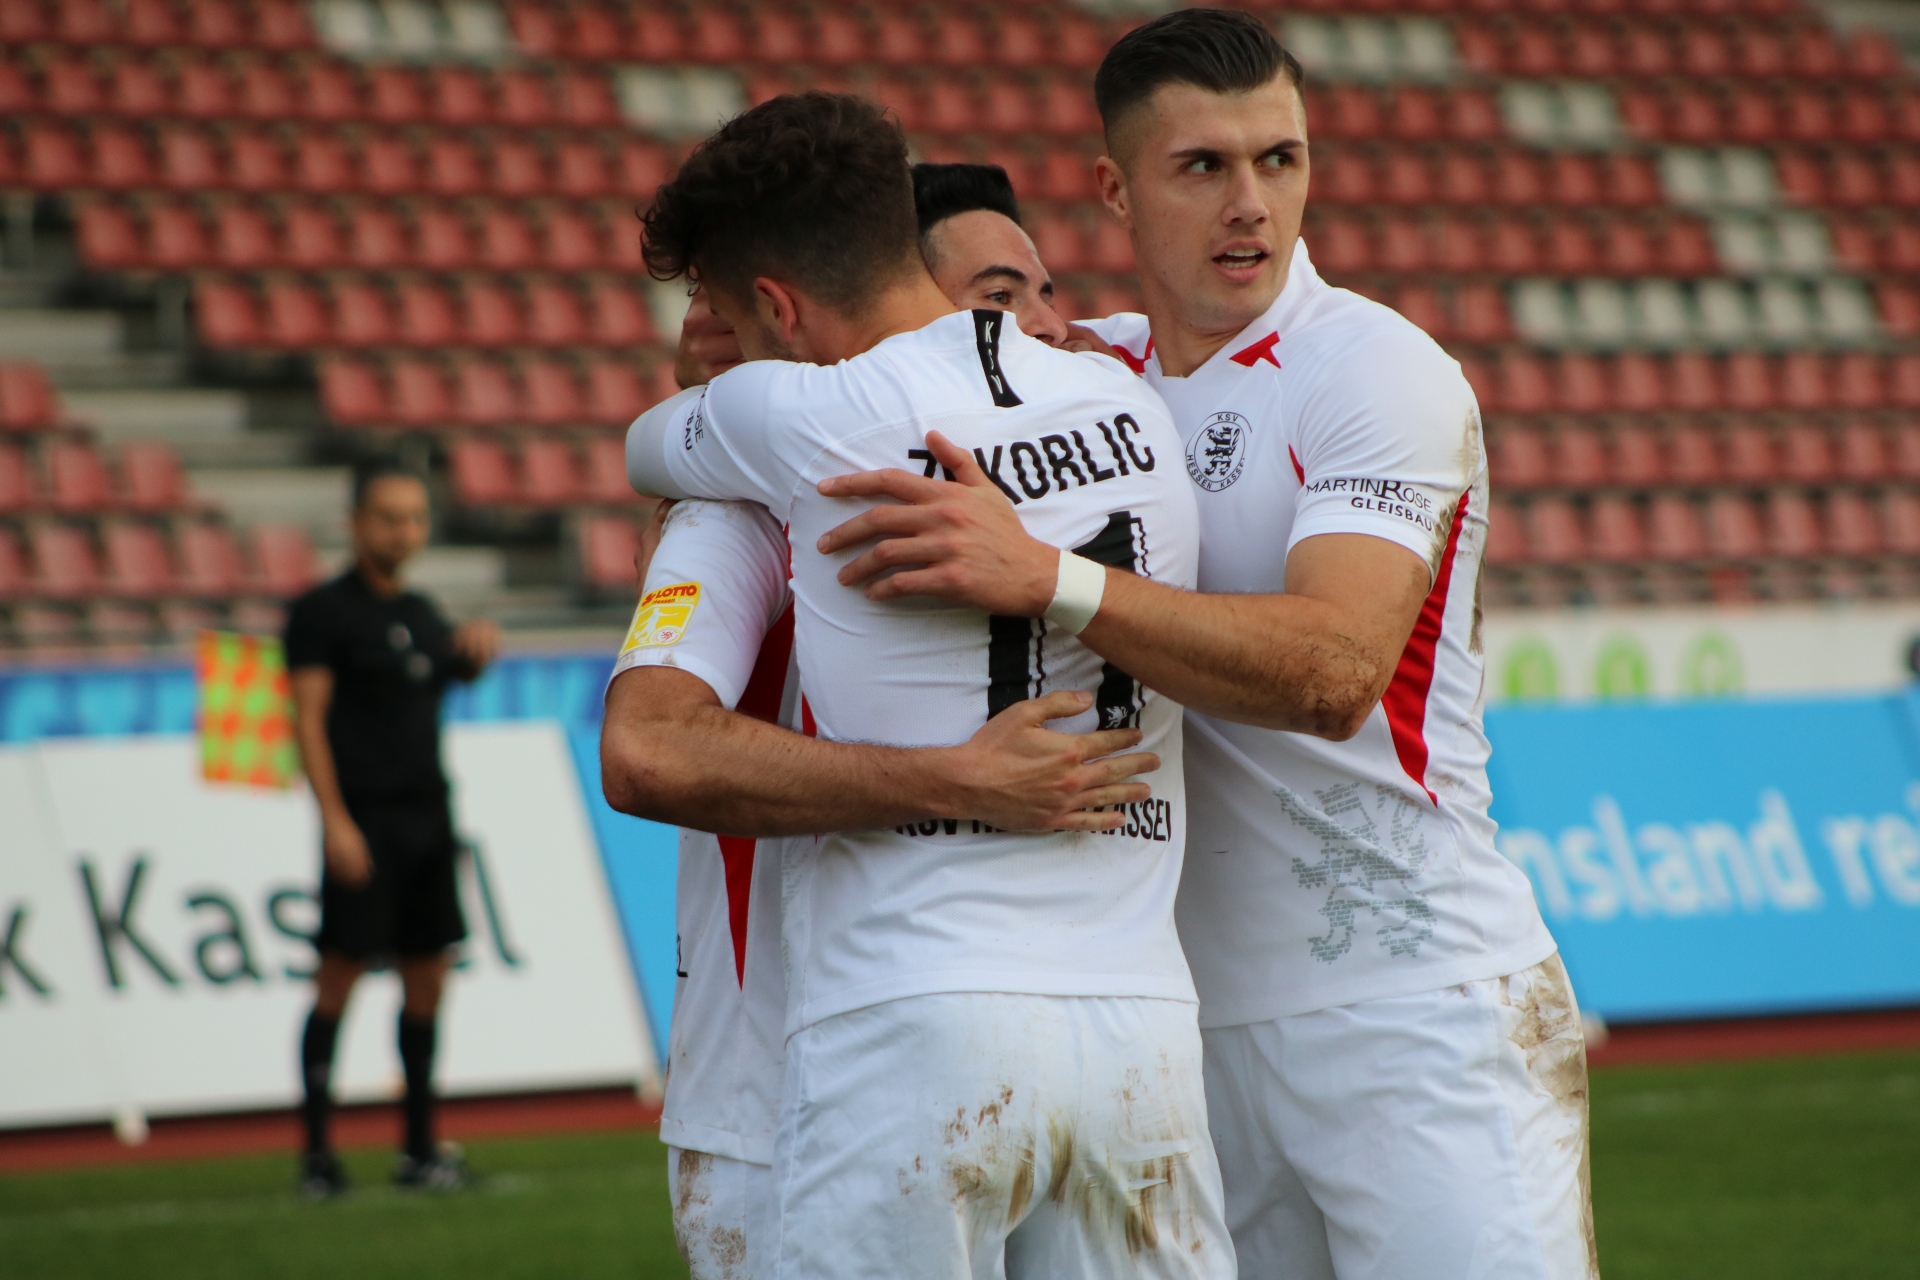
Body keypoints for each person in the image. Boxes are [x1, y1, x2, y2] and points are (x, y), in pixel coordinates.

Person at [815, 11, 1593, 1280]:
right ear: (1115, 189)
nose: (1250, 203)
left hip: (1418, 1008)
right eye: (1204, 167)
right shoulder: (1091, 374)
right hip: (1188, 1030)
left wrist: (1053, 579)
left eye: (1280, 159)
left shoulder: (1376, 370)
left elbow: (1334, 672)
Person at [611, 92, 1232, 1278]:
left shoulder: (795, 414)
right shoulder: (1129, 402)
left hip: (911, 1013)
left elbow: (649, 450)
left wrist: (713, 388)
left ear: (773, 307)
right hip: (1140, 1030)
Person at [285, 461, 500, 1198]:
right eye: (389, 517)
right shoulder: (322, 614)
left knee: (428, 977)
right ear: (355, 524)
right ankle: (318, 1157)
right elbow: (308, 721)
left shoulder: (422, 612)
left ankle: (418, 1150)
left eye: (414, 517)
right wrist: (334, 821)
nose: (404, 531)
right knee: (338, 976)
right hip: (366, 818)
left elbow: (446, 676)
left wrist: (473, 650)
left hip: (428, 816)